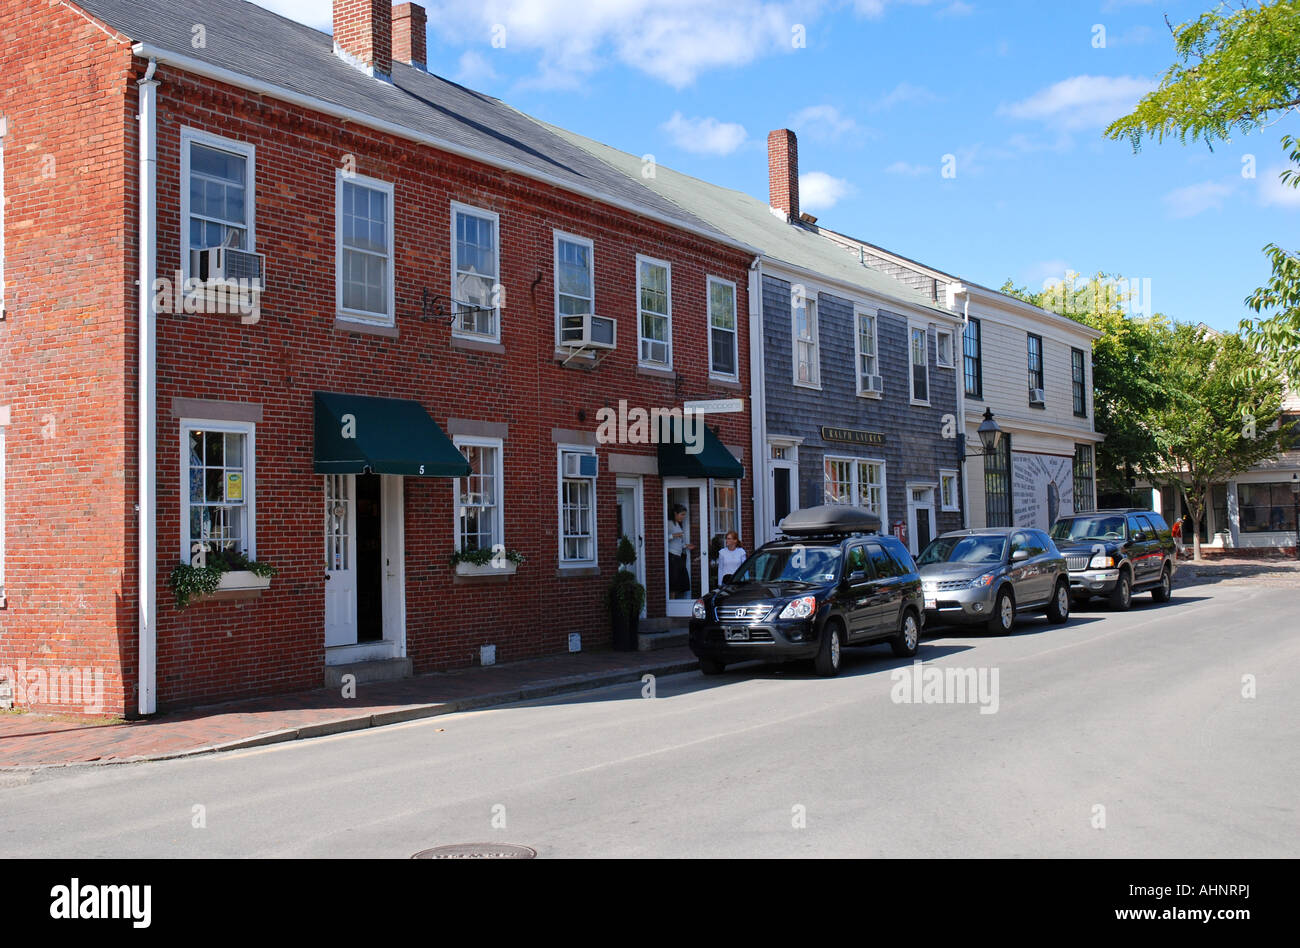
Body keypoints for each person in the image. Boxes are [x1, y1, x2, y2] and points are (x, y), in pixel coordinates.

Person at [667, 504, 695, 598]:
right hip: (672, 556)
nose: (683, 517)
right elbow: (663, 538)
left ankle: (678, 602)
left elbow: (678, 542)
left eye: (684, 515)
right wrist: (674, 535)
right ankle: (673, 602)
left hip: (678, 556)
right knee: (674, 581)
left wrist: (686, 546)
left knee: (682, 581)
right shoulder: (669, 523)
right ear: (675, 513)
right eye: (682, 514)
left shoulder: (678, 525)